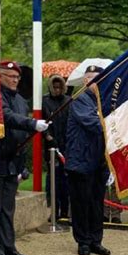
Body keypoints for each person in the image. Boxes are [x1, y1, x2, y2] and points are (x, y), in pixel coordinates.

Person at [0, 60, 49, 255]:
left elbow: (19, 129)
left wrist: (22, 162)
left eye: (17, 77)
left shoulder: (20, 100)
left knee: (8, 207)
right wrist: (32, 123)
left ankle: (9, 246)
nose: (15, 80)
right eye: (11, 76)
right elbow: (5, 116)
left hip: (12, 160)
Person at [65, 65, 111, 255]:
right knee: (81, 203)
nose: (98, 83)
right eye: (94, 79)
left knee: (96, 203)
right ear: (86, 81)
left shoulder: (104, 101)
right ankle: (83, 241)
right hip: (81, 161)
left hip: (98, 161)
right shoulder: (80, 99)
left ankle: (95, 240)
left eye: (101, 79)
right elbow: (94, 124)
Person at [42, 74, 71, 224]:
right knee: (53, 181)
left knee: (65, 180)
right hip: (51, 147)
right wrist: (47, 136)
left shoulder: (68, 101)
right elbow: (41, 121)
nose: (58, 89)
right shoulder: (45, 101)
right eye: (55, 87)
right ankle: (54, 210)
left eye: (60, 87)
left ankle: (65, 211)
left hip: (66, 146)